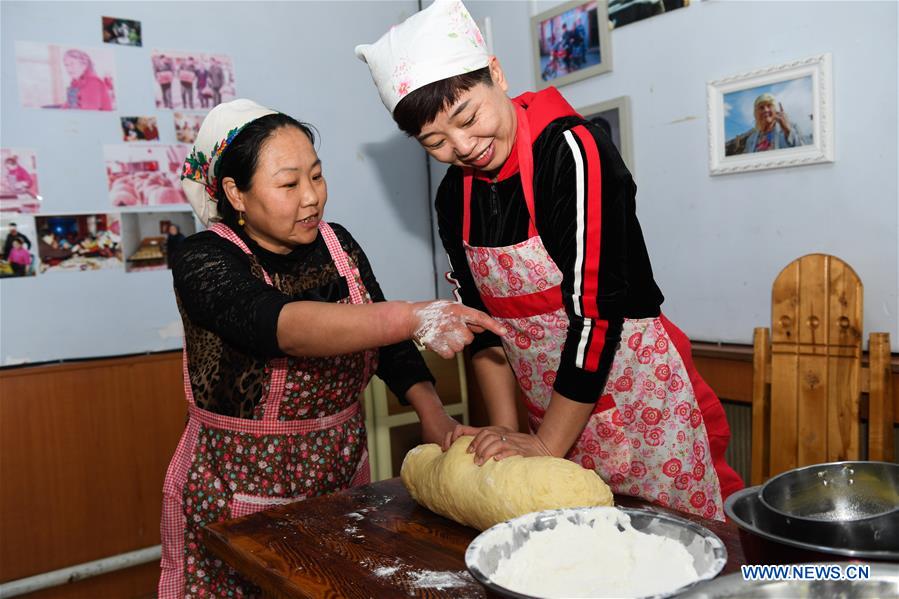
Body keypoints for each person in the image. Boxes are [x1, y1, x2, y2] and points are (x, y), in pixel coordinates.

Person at [357, 0, 743, 521]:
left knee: (678, 552)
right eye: (435, 143)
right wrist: (507, 435)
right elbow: (486, 330)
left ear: (496, 73)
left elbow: (596, 312)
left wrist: (543, 444)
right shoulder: (455, 198)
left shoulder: (574, 153)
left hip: (639, 409)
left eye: (468, 117)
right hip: (549, 419)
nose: (463, 146)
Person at [158, 98, 504, 598]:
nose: (311, 198)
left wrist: (432, 411)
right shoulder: (203, 258)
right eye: (288, 183)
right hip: (236, 489)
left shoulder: (338, 245)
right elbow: (281, 327)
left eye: (316, 177)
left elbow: (386, 344)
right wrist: (412, 316)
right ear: (235, 192)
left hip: (340, 473)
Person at [732, 93, 806, 154]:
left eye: (769, 106)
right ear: (756, 113)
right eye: (761, 107)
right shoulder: (750, 140)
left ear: (775, 110)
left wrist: (787, 130)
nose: (766, 110)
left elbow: (804, 153)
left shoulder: (792, 127)